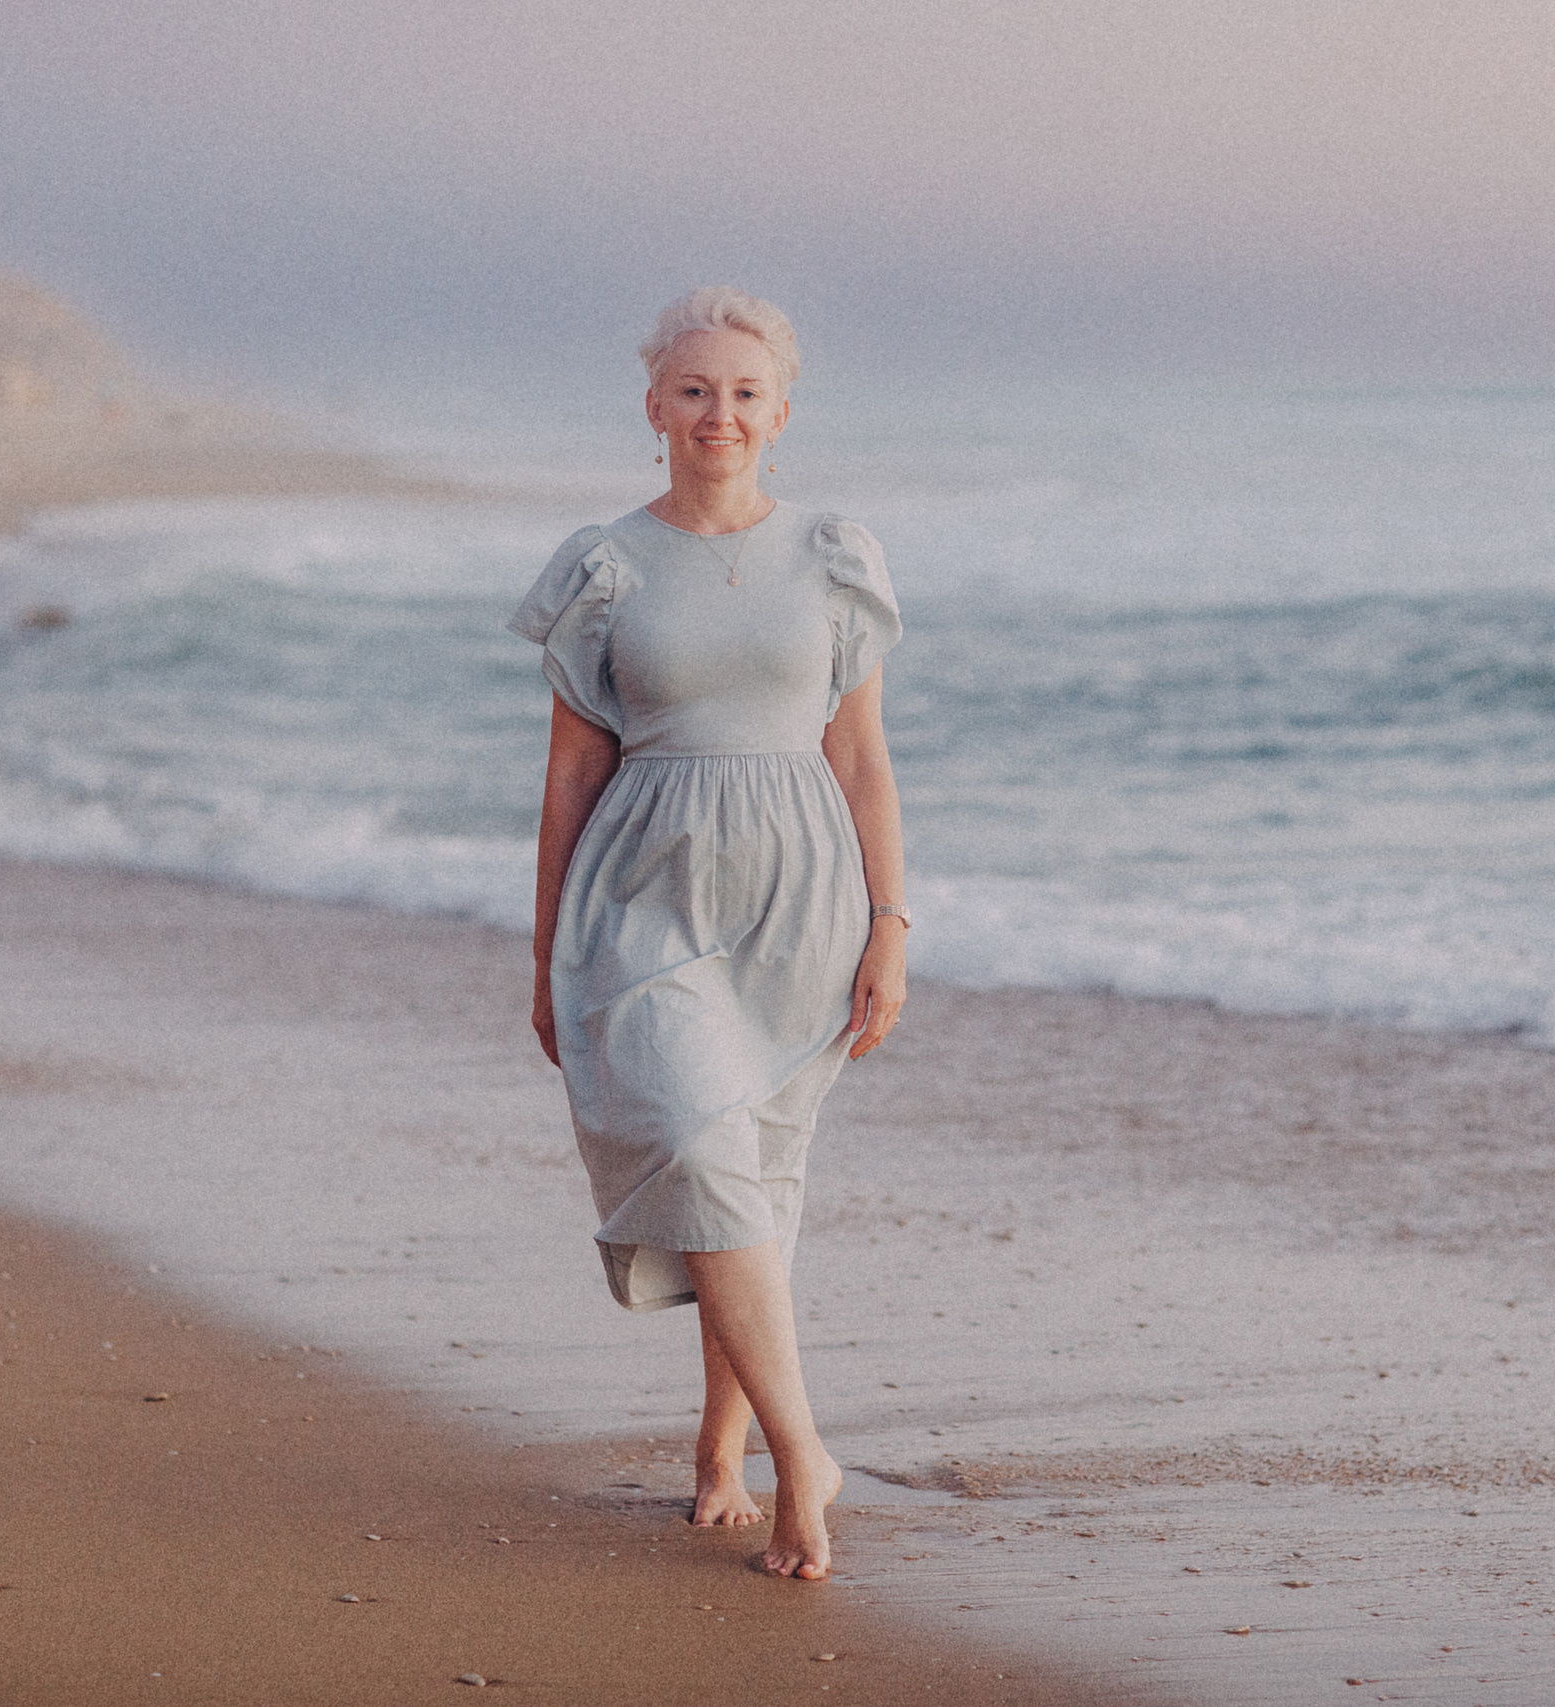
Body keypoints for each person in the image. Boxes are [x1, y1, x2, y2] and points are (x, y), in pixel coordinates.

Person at [513, 287, 908, 1581]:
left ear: (781, 415)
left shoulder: (832, 556)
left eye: (744, 393)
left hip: (802, 897)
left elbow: (863, 756)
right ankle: (805, 1456)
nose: (717, 413)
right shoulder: (606, 566)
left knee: (753, 1173)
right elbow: (571, 773)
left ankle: (720, 1444)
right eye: (694, 391)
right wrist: (544, 955)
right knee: (697, 1141)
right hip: (643, 892)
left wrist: (891, 924)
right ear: (654, 409)